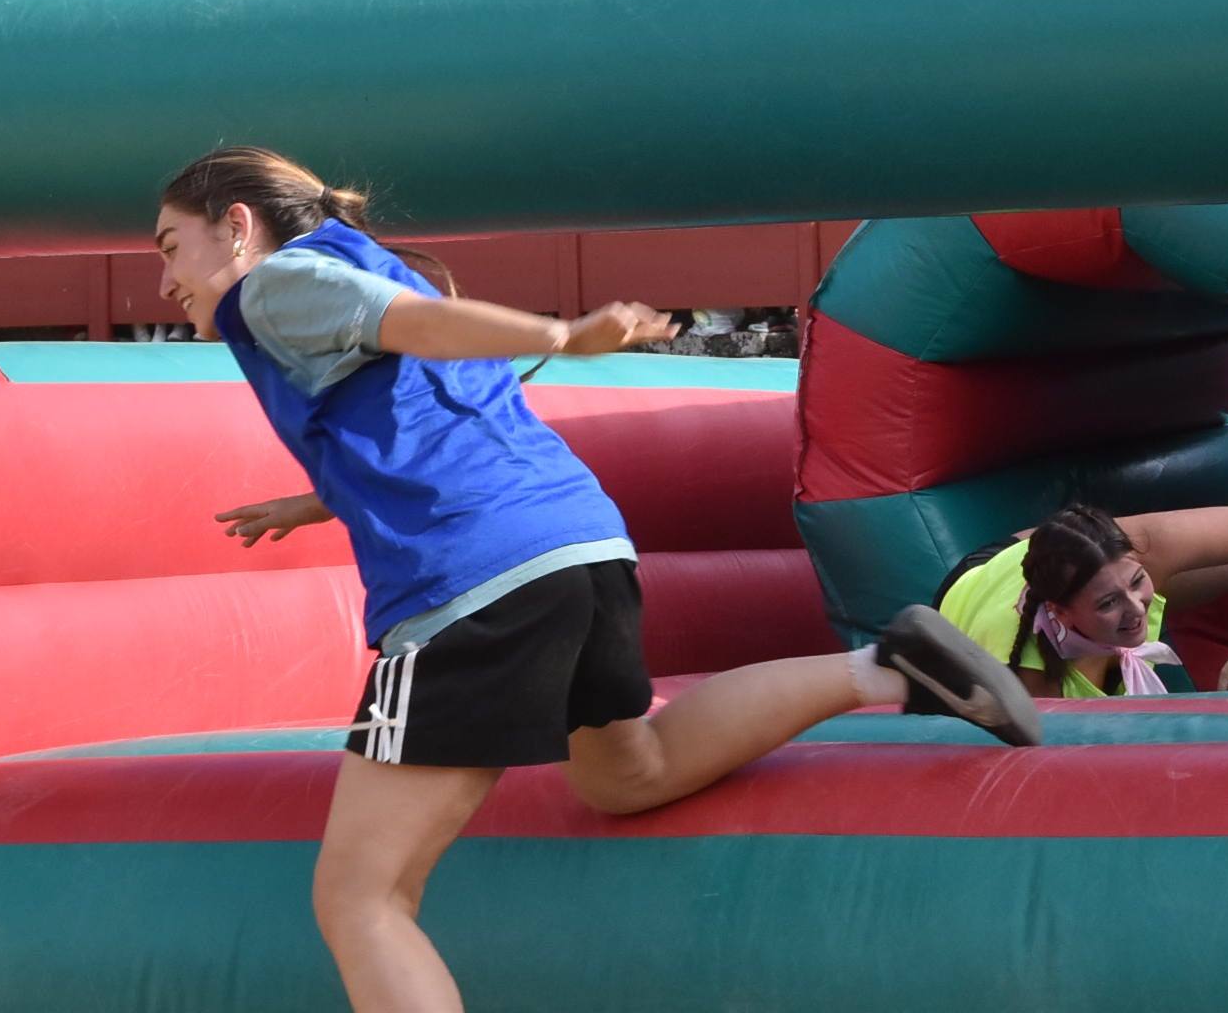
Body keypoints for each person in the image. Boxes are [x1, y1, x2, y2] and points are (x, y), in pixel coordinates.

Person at [160, 151, 1036, 1011]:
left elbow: (407, 328)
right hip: (576, 542)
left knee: (361, 897)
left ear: (237, 228)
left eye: (170, 247)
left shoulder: (273, 284)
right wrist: (323, 499)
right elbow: (425, 404)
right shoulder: (364, 265)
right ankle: (887, 669)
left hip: (472, 582)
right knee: (628, 772)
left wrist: (562, 338)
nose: (165, 280)